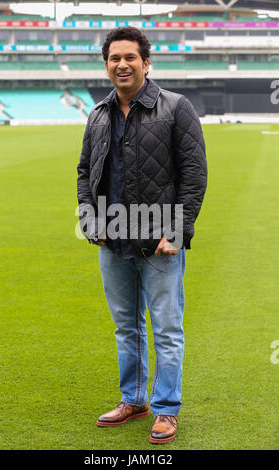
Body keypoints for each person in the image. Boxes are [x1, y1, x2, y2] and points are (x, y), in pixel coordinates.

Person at [77, 26, 207, 444]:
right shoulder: (98, 114)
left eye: (130, 57)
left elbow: (194, 173)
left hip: (159, 240)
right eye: (114, 58)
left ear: (146, 63)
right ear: (106, 65)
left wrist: (178, 229)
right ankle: (133, 399)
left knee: (167, 329)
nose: (122, 64)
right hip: (112, 239)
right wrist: (90, 222)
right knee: (126, 327)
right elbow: (85, 171)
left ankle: (166, 409)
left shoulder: (175, 107)